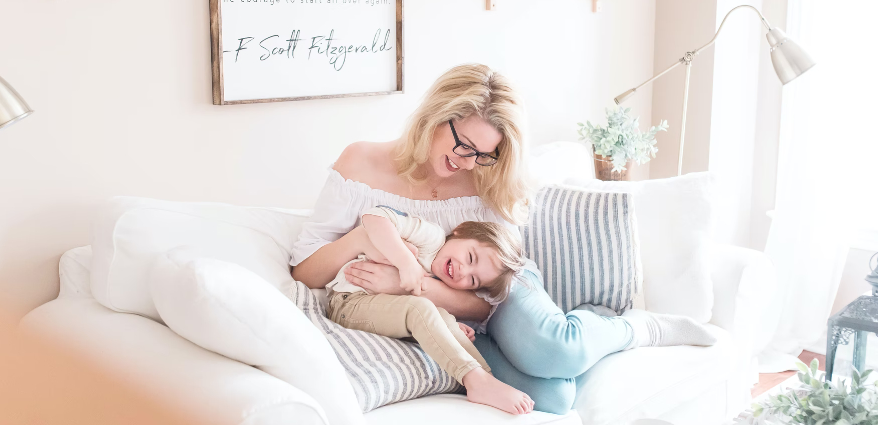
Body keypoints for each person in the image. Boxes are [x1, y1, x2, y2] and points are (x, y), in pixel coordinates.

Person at [290, 63, 716, 414]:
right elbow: (304, 272)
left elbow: (487, 299)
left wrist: (414, 285)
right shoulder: (361, 163)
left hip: (496, 279)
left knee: (557, 351)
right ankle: (580, 325)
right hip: (437, 312)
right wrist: (363, 240)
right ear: (435, 116)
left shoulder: (485, 177)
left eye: (482, 154)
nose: (467, 163)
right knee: (553, 398)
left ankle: (632, 328)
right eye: (463, 145)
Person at [325, 205, 533, 414]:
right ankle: (475, 380)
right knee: (421, 308)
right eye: (470, 258)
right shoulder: (431, 238)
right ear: (461, 231)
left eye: (472, 280)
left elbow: (412, 311)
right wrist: (406, 262)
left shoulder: (443, 280)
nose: (463, 271)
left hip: (382, 312)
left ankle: (485, 379)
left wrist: (447, 327)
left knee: (444, 318)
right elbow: (373, 216)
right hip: (349, 302)